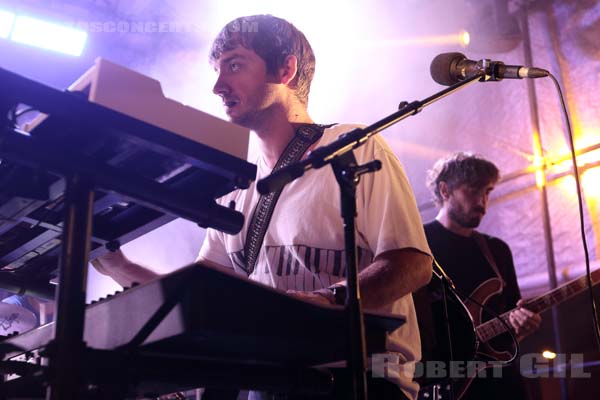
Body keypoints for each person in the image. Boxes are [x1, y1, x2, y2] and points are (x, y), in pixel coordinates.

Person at [94, 14, 432, 400]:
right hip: (268, 386)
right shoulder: (234, 183)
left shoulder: (355, 148)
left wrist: (323, 303)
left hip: (361, 385)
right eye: (217, 70)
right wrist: (118, 265)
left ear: (286, 68)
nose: (219, 86)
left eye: (235, 65)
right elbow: (198, 295)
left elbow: (413, 264)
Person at [421, 152, 542, 399]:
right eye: (473, 190)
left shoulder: (496, 250)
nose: (482, 201)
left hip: (500, 382)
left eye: (487, 191)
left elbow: (509, 323)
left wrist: (522, 326)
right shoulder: (419, 244)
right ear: (445, 191)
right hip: (443, 382)